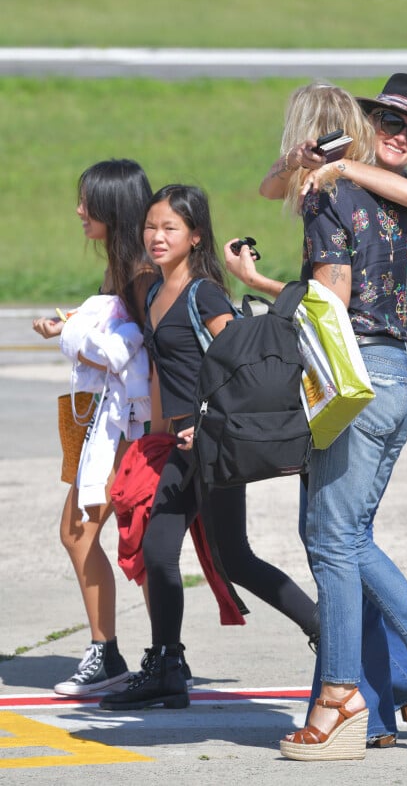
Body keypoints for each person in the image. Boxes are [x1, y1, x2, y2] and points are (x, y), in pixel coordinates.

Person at [224, 81, 407, 761]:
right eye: (393, 123)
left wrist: (268, 291)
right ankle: (380, 691)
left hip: (358, 378)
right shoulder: (391, 200)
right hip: (402, 378)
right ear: (364, 124)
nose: (405, 137)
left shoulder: (330, 193)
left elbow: (334, 298)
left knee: (334, 538)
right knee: (339, 537)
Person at [99, 184, 320, 711]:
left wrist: (210, 426)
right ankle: (167, 666)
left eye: (169, 228)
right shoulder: (154, 292)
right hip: (180, 444)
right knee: (162, 552)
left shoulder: (204, 295)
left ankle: (333, 640)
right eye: (151, 227)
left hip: (212, 443)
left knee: (234, 558)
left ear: (195, 236)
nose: (156, 236)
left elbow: (241, 366)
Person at [32, 158, 157, 697]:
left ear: (114, 207)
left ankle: (136, 654)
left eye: (89, 202)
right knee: (123, 541)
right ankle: (134, 652)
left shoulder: (142, 273)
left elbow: (134, 354)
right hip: (111, 424)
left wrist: (71, 333)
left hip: (131, 430)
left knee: (101, 536)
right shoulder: (123, 266)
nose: (79, 211)